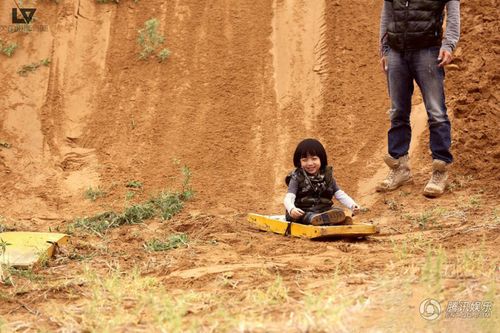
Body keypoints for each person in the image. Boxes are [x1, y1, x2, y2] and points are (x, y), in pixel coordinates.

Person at [377, 0, 460, 197]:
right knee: (398, 111)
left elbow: (453, 11)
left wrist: (449, 44)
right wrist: (384, 49)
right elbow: (387, 13)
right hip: (397, 52)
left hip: (428, 51)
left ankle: (440, 171)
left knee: (436, 112)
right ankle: (400, 168)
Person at [283, 138, 360, 226]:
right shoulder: (297, 176)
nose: (310, 163)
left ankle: (335, 219)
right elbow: (289, 197)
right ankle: (319, 220)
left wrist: (353, 205)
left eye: (314, 159)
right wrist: (291, 209)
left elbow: (339, 194)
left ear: (321, 159)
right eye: (305, 160)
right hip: (303, 210)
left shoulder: (327, 176)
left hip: (323, 210)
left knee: (338, 211)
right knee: (306, 216)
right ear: (299, 162)